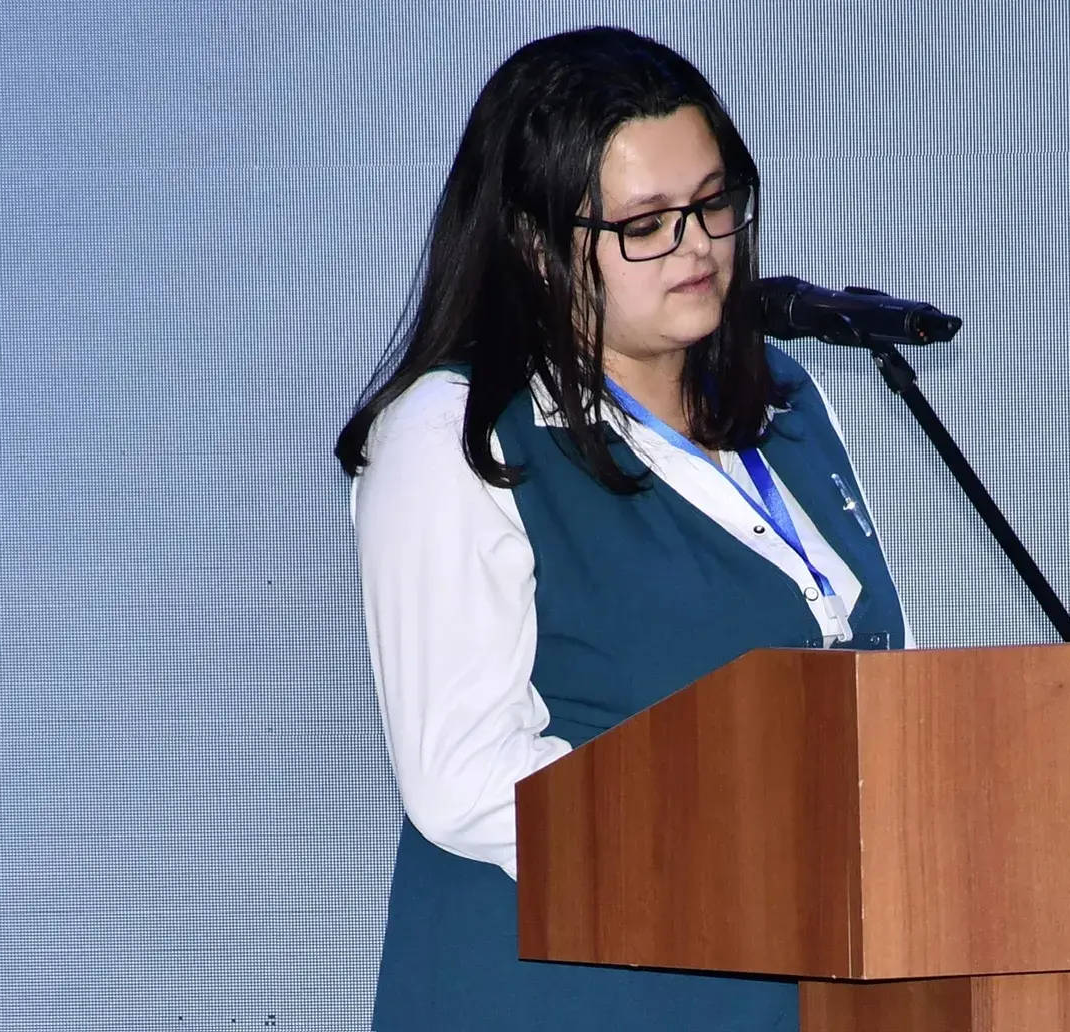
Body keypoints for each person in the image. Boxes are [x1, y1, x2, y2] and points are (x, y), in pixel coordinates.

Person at [335, 26, 907, 1032]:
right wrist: (754, 842)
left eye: (714, 203)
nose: (699, 247)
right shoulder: (454, 433)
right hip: (572, 994)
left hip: (788, 985)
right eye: (646, 223)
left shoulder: (782, 399)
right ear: (534, 240)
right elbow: (463, 779)